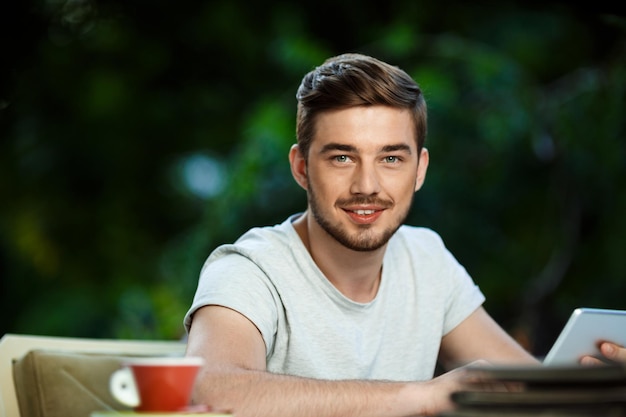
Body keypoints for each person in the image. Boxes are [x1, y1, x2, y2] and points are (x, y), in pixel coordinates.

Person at [183, 53, 616, 417]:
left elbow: (523, 385)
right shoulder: (248, 269)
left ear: (420, 169)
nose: (367, 185)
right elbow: (207, 388)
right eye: (341, 158)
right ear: (301, 167)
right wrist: (422, 396)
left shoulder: (425, 258)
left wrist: (596, 380)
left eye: (390, 158)